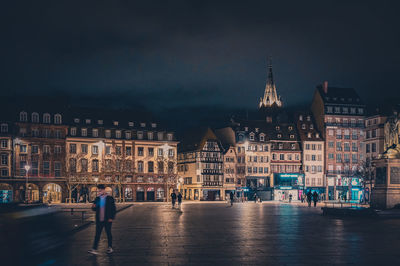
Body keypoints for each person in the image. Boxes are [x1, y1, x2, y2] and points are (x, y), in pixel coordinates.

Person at [88, 184, 116, 255]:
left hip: (107, 219)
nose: (99, 192)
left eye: (100, 190)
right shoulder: (97, 199)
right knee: (97, 234)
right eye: (98, 191)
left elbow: (113, 209)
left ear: (104, 190)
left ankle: (110, 247)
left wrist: (111, 218)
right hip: (99, 220)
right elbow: (94, 208)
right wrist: (93, 207)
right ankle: (94, 249)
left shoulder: (110, 198)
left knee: (108, 233)